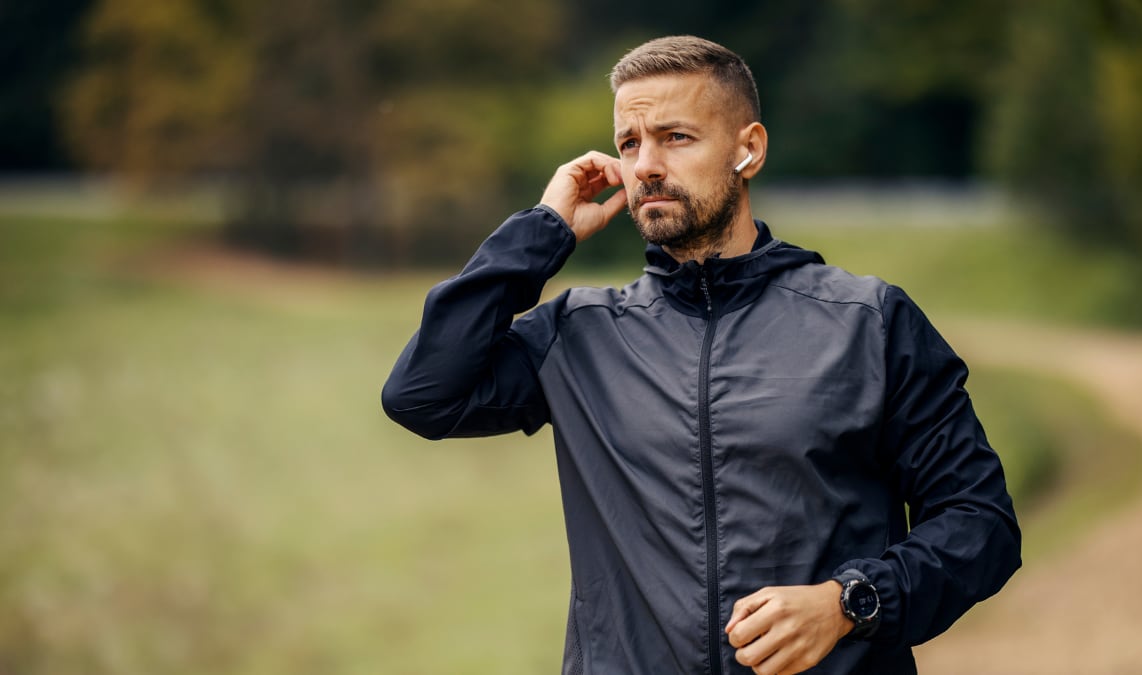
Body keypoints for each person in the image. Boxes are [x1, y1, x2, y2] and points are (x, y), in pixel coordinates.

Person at [382, 35, 1021, 675]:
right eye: (630, 144)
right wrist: (542, 233)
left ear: (749, 149)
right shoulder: (578, 336)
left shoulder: (868, 324)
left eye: (676, 137)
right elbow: (423, 394)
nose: (646, 166)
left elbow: (980, 524)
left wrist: (849, 602)